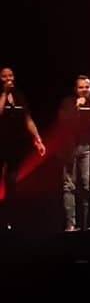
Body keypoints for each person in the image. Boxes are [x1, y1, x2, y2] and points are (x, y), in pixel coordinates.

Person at [0, 66, 45, 228]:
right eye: (4, 76)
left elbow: (27, 119)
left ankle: (9, 220)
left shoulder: (19, 96)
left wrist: (38, 139)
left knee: (12, 182)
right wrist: (4, 94)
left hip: (14, 145)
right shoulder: (1, 95)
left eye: (10, 75)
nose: (8, 79)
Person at [58, 75, 90, 231]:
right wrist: (77, 108)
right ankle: (71, 224)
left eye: (87, 87)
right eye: (81, 87)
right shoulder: (68, 103)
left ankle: (87, 223)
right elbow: (64, 123)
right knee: (69, 186)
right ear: (76, 89)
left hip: (87, 147)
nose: (84, 90)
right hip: (69, 148)